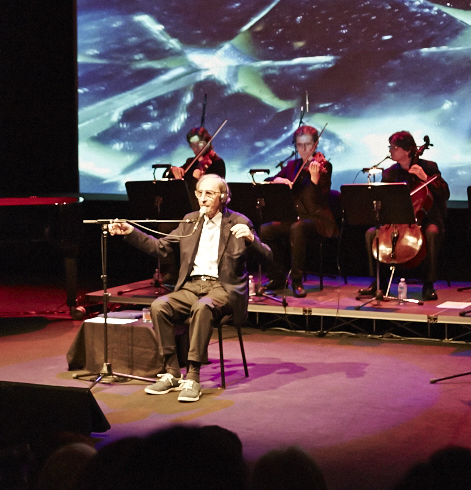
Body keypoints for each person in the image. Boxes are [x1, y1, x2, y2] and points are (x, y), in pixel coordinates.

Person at [109, 174, 272, 402]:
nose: (202, 199)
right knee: (160, 306)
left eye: (209, 194)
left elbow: (267, 257)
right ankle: (172, 372)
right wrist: (131, 232)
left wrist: (252, 240)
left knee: (202, 307)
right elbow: (160, 248)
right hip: (192, 286)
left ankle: (193, 376)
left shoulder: (239, 222)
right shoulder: (190, 220)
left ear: (223, 197)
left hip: (223, 289)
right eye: (199, 193)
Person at [362, 131, 448, 301]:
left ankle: (428, 285)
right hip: (396, 220)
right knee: (371, 234)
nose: (390, 150)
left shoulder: (429, 167)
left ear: (408, 150)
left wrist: (425, 177)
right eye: (390, 147)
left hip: (424, 220)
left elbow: (445, 193)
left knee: (432, 232)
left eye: (394, 147)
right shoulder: (390, 173)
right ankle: (378, 283)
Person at [259, 125, 336, 297]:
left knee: (297, 228)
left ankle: (296, 281)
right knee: (266, 229)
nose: (304, 149)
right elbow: (270, 179)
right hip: (296, 218)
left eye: (308, 145)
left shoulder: (325, 166)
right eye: (300, 145)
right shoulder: (293, 165)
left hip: (317, 220)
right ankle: (277, 277)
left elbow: (320, 200)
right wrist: (279, 180)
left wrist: (315, 181)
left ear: (315, 145)